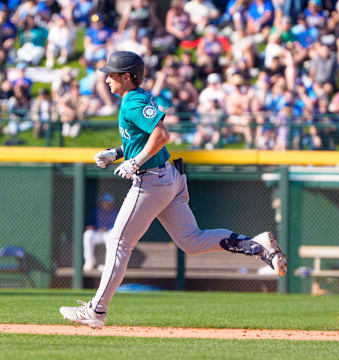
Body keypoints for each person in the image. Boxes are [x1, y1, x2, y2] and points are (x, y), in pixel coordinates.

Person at [59, 51, 287, 329]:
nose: (107, 79)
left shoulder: (132, 102)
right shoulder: (137, 98)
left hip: (151, 180)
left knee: (118, 243)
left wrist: (135, 161)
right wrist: (118, 152)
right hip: (169, 176)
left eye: (113, 74)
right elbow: (146, 138)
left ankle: (97, 310)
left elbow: (162, 135)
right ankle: (257, 246)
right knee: (192, 240)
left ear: (127, 77)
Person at [83, 193, 118, 271]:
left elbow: (116, 227)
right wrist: (91, 227)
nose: (106, 204)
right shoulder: (97, 211)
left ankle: (108, 265)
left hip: (108, 234)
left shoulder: (115, 213)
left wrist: (106, 228)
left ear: (111, 203)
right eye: (104, 202)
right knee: (87, 235)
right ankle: (89, 261)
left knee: (110, 236)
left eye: (108, 202)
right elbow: (91, 224)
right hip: (98, 233)